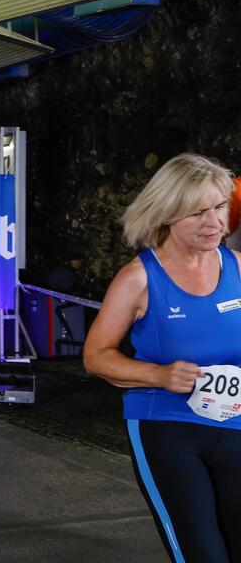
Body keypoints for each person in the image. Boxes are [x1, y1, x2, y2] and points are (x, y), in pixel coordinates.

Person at [83, 153, 241, 563]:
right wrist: (159, 375)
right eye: (198, 212)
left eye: (220, 207)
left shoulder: (238, 267)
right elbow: (96, 356)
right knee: (203, 552)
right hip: (167, 427)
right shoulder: (138, 277)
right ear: (168, 213)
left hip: (235, 424)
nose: (214, 222)